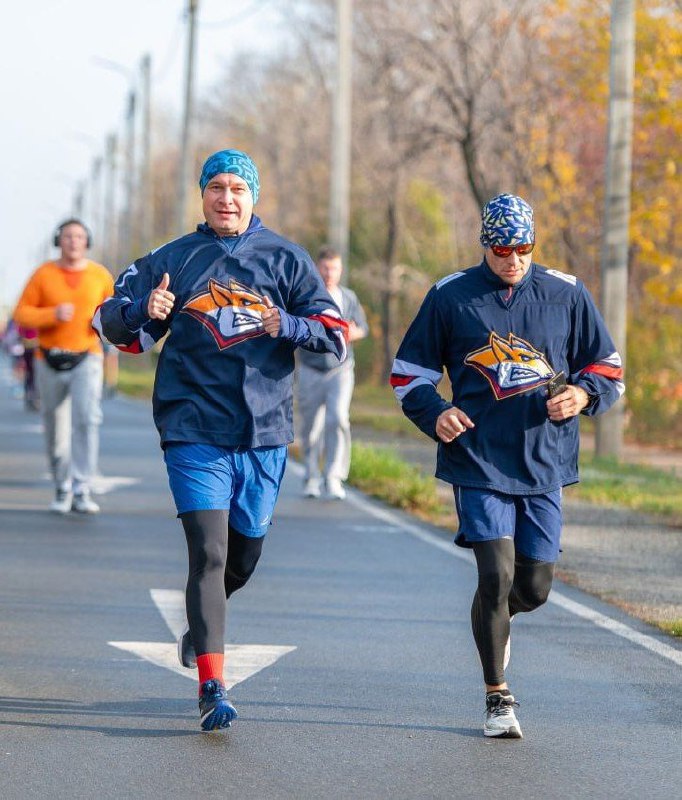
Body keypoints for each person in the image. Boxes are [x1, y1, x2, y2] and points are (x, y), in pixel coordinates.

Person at [94, 149, 348, 732]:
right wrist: (141, 309)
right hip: (193, 428)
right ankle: (212, 686)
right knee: (208, 552)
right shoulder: (173, 258)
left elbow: (334, 335)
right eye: (216, 187)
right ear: (202, 195)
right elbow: (109, 322)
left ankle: (198, 627)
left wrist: (286, 324)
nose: (226, 198)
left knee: (243, 557)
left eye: (237, 188)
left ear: (252, 196)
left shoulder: (286, 259)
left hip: (263, 431)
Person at [390, 193, 624, 739]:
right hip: (477, 458)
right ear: (485, 245)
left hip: (544, 461)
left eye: (523, 248)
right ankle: (498, 696)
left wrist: (583, 396)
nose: (513, 259)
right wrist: (437, 411)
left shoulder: (566, 293)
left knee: (534, 587)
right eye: (501, 249)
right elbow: (407, 374)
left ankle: (495, 619)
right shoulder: (451, 296)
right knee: (494, 576)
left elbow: (607, 367)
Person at [14, 219, 114, 514]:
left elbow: (115, 310)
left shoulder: (99, 275)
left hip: (87, 356)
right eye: (68, 236)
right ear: (59, 240)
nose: (73, 241)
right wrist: (51, 314)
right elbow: (22, 313)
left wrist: (108, 332)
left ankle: (82, 488)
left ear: (87, 241)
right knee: (56, 426)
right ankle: (62, 486)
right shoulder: (43, 274)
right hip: (49, 359)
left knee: (86, 420)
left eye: (79, 236)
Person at [297, 246, 368, 500]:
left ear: (340, 270)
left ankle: (334, 476)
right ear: (318, 268)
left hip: (341, 369)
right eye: (325, 268)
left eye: (334, 268)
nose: (329, 273)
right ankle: (311, 476)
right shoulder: (306, 296)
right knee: (311, 427)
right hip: (310, 368)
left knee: (338, 419)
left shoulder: (348, 297)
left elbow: (362, 328)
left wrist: (346, 333)